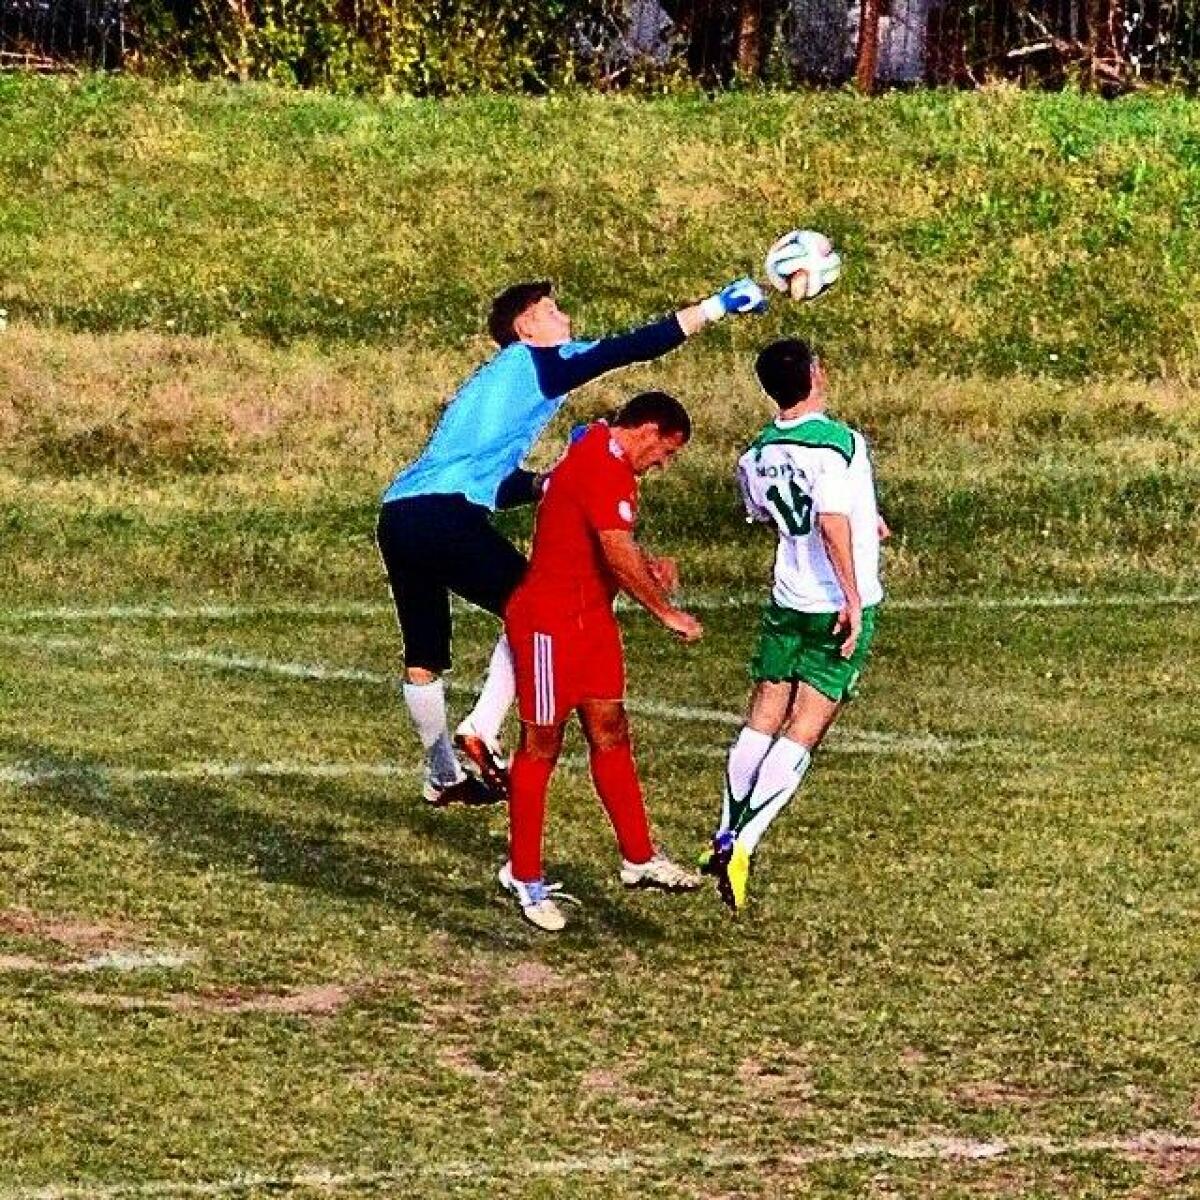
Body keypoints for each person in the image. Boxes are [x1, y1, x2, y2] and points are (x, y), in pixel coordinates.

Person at [377, 276, 765, 807]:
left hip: (399, 515)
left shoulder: (496, 384)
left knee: (424, 654)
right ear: (526, 326)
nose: (565, 320)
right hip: (441, 514)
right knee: (539, 605)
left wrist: (547, 482)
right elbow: (629, 348)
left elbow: (492, 481)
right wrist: (717, 307)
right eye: (553, 311)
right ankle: (483, 725)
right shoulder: (535, 362)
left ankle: (442, 774)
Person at [497, 391, 704, 931]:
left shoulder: (600, 450)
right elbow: (613, 549)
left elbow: (607, 542)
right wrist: (665, 611)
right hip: (548, 626)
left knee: (611, 728)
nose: (662, 464)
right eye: (666, 451)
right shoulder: (602, 467)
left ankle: (639, 857)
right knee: (541, 744)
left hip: (591, 622)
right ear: (649, 430)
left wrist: (645, 564)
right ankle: (525, 877)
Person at [701, 338, 886, 913]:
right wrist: (852, 599)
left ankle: (725, 830)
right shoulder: (839, 442)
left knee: (764, 713)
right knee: (805, 724)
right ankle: (744, 844)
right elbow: (829, 521)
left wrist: (867, 517)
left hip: (787, 596)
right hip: (831, 602)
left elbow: (769, 512)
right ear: (815, 374)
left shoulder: (755, 453)